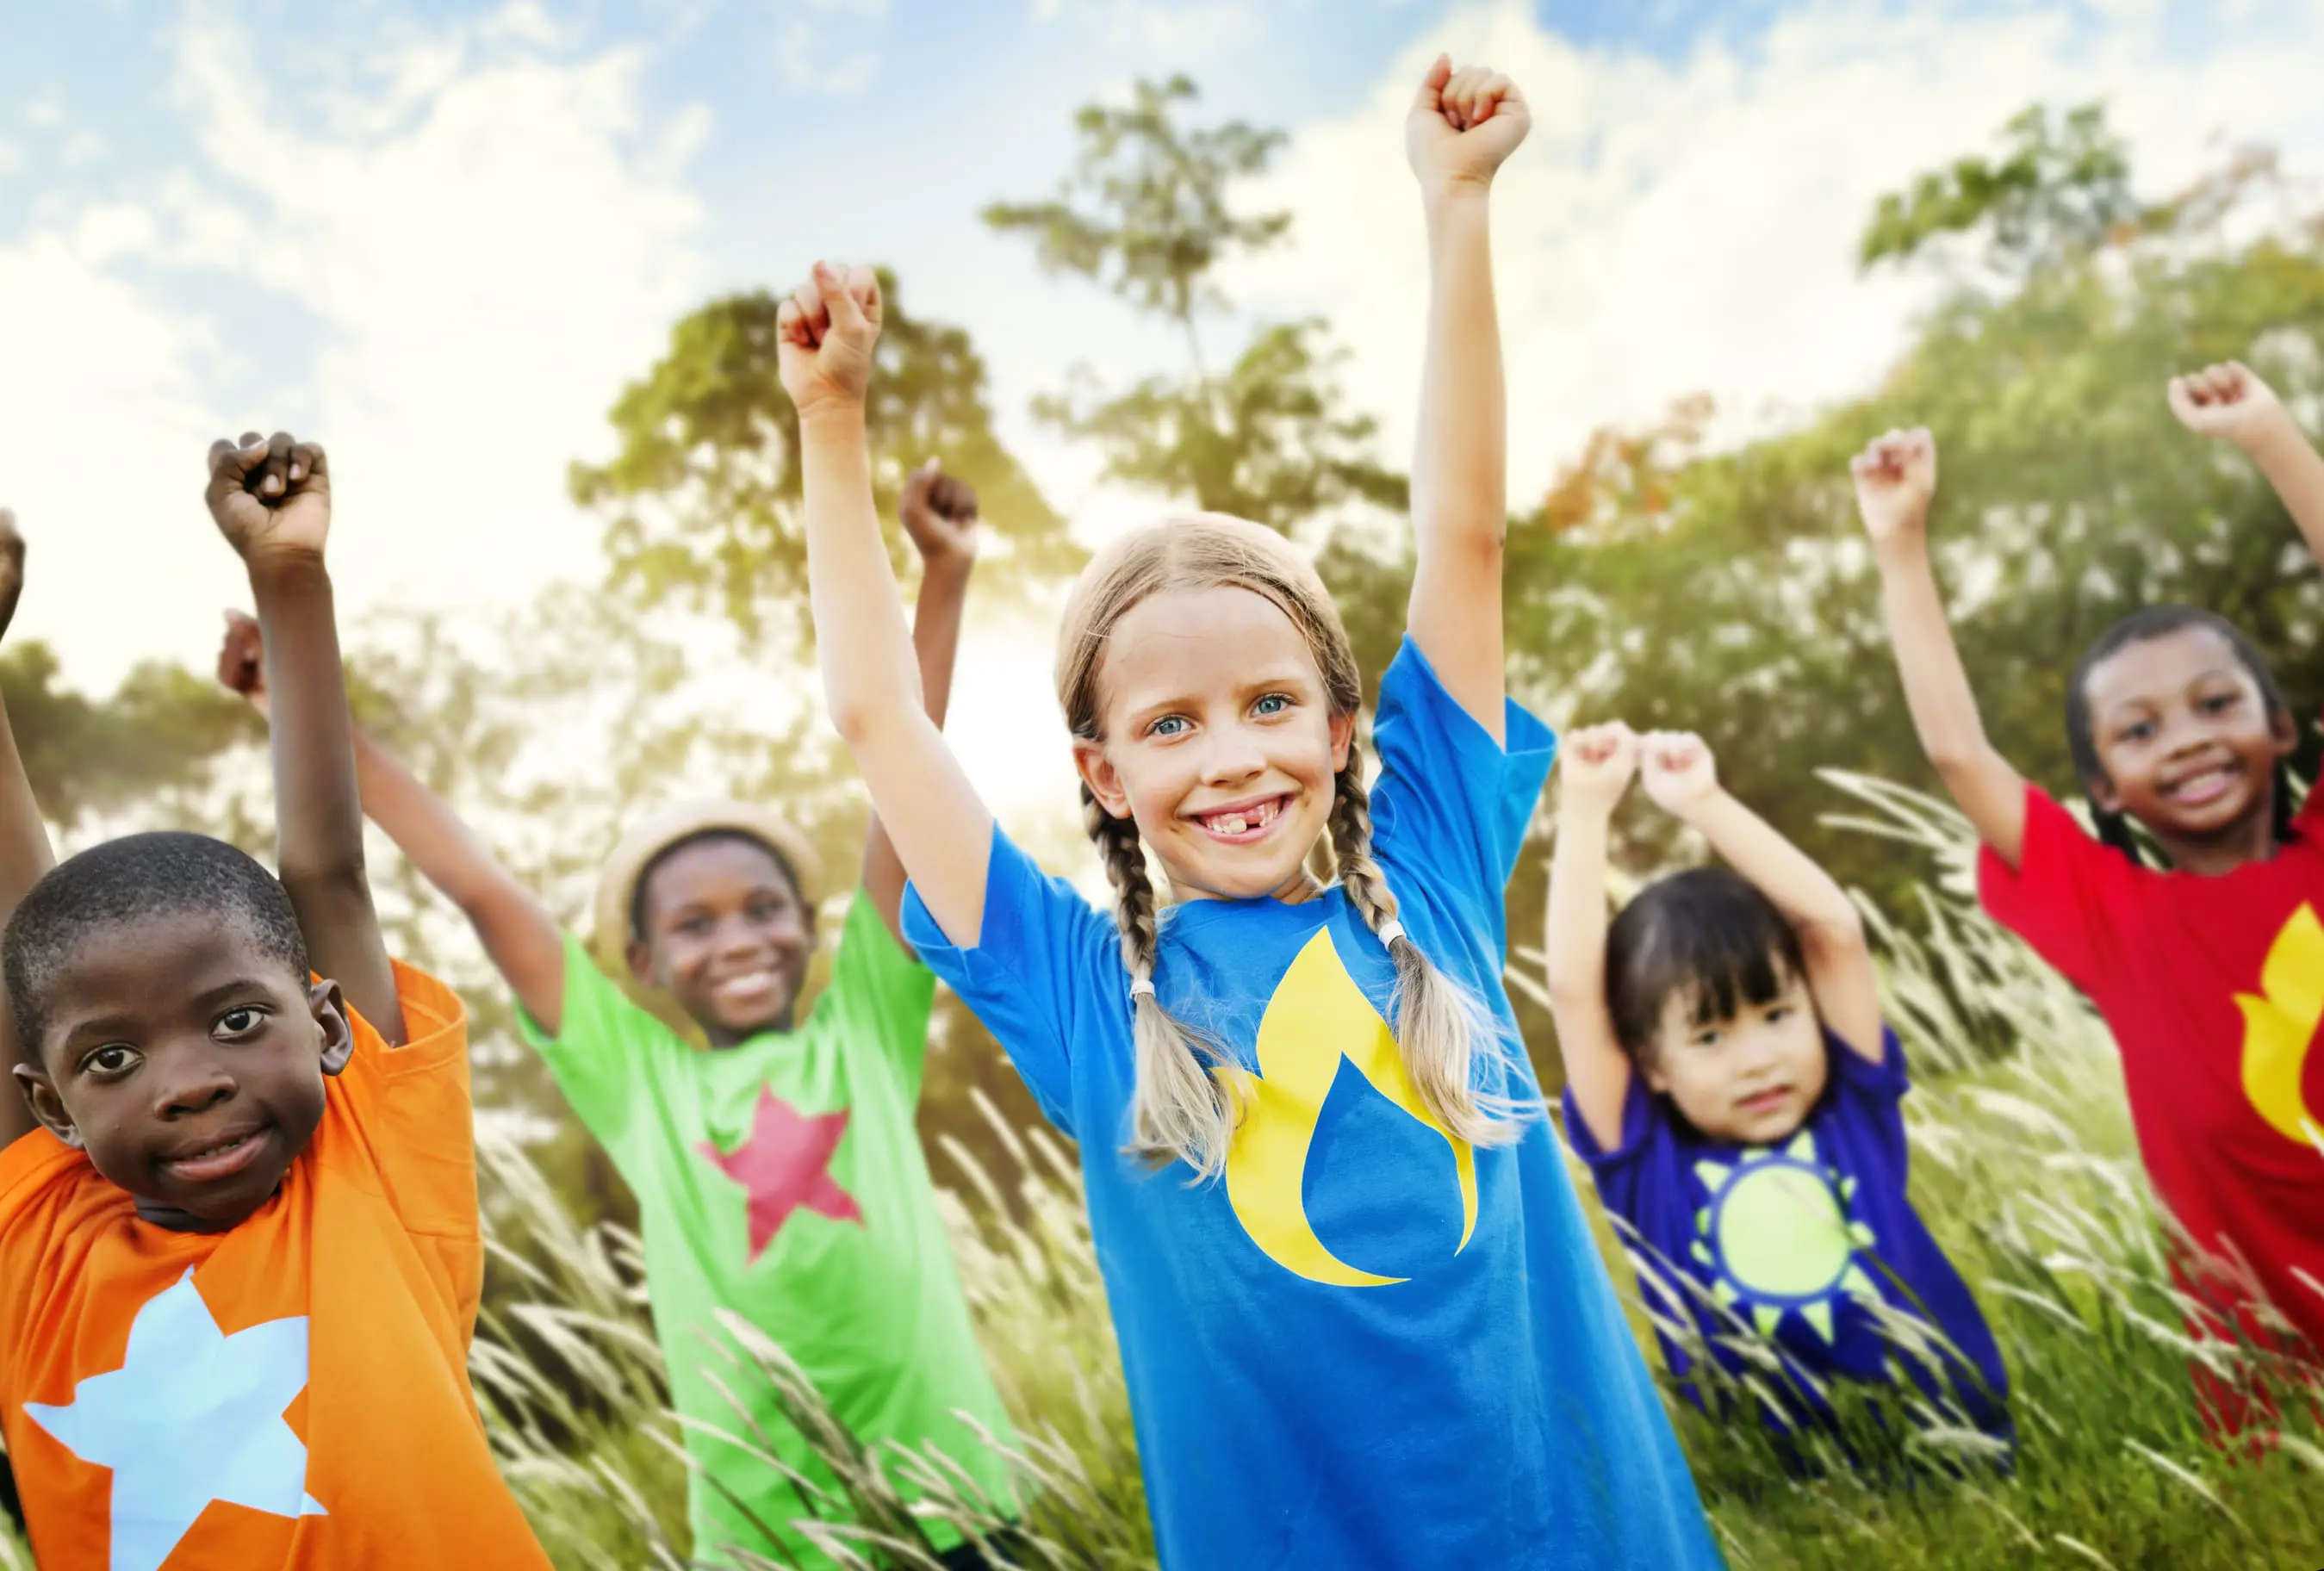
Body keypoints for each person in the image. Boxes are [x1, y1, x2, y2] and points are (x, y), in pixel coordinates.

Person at [787, 56, 1724, 1571]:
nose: (1232, 757)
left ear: (1344, 724)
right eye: (1170, 724)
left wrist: (1457, 208)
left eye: (1270, 703)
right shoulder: (1084, 993)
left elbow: (1465, 533)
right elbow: (874, 717)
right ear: (1100, 772)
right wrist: (832, 419)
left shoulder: (1430, 862)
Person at [217, 461, 1017, 1570]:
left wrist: (944, 578)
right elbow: (486, 891)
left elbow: (903, 785)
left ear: (810, 926)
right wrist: (300, 708)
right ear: (640, 962)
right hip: (772, 1535)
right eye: (694, 925)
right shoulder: (639, 1079)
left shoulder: (868, 1027)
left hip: (958, 1492)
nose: (735, 937)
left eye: (762, 909)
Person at [0, 441, 552, 1568]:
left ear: (334, 1024)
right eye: (110, 1062)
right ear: (47, 1105)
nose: (190, 1079)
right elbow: (15, 945)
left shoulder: (372, 1162)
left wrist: (290, 578)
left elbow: (328, 876)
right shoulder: (40, 1252)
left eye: (238, 1020)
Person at [1855, 361, 2324, 1437]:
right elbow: (1956, 753)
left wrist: (2269, 439)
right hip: (2277, 1391)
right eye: (2141, 730)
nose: (2192, 736)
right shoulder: (2112, 916)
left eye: (2217, 702)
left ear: (2282, 727)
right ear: (2104, 787)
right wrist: (1899, 545)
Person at [1545, 723, 2010, 1460]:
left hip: (1944, 1432)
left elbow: (1833, 928)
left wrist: (1703, 801)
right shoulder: (1645, 1164)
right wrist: (1586, 807)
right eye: (1710, 1037)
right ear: (1652, 1065)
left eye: (1777, 1015)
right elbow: (1575, 992)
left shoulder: (1852, 1108)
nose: (1758, 1060)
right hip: (1775, 1467)